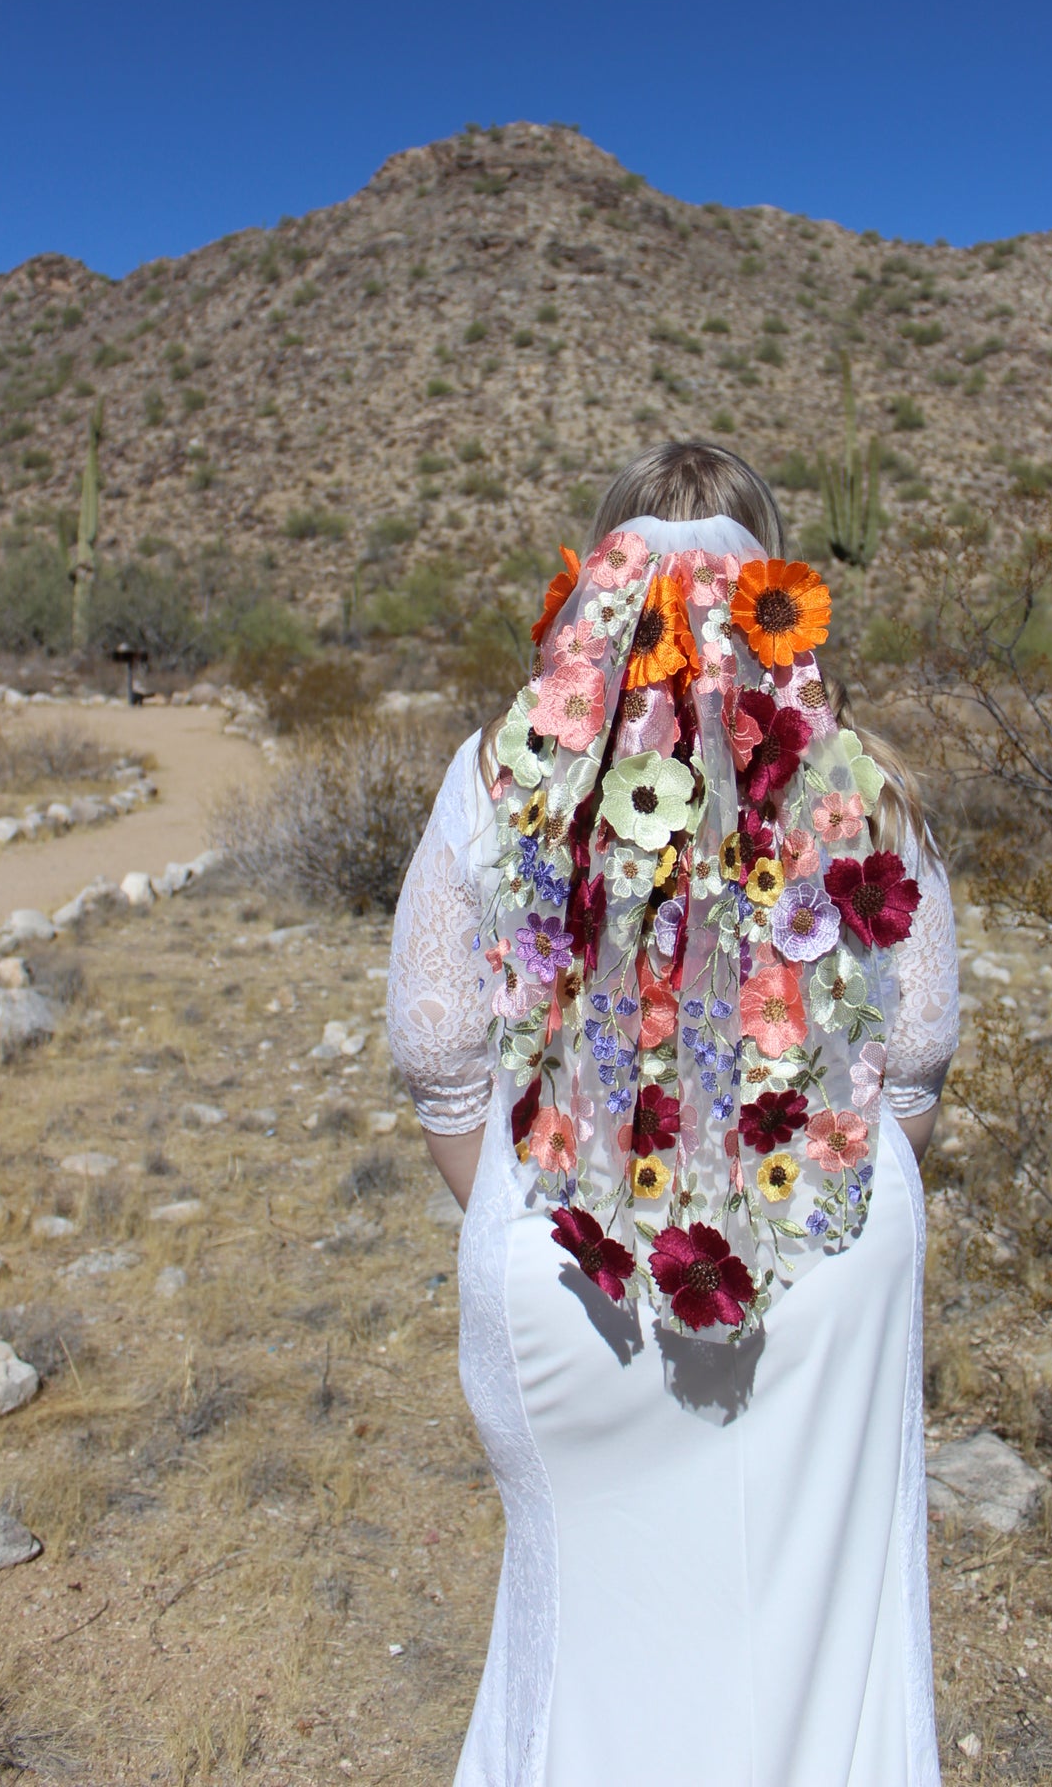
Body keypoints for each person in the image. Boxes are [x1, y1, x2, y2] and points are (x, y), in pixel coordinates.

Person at [388, 439, 959, 1787]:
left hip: (564, 1257)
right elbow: (913, 1059)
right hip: (822, 1262)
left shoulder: (496, 771)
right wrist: (802, 1227)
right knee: (817, 1656)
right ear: (775, 584)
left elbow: (435, 1049)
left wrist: (549, 1222)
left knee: (585, 1645)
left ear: (595, 574)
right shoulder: (862, 775)